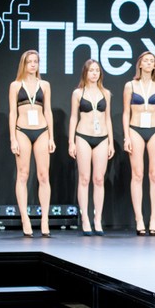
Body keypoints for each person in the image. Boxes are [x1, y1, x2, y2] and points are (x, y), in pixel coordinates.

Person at [8, 49, 56, 238]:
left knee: (44, 175)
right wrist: (13, 138)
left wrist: (51, 137)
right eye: (30, 61)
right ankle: (25, 219)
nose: (33, 64)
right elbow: (12, 112)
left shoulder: (44, 85)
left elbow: (48, 111)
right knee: (23, 174)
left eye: (36, 61)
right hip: (22, 130)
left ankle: (44, 219)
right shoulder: (15, 85)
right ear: (24, 64)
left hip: (42, 130)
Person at [122, 51, 155, 236]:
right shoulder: (130, 85)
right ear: (140, 64)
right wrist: (126, 136)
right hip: (135, 129)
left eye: (152, 61)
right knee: (137, 174)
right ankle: (139, 219)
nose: (149, 63)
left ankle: (153, 219)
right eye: (146, 61)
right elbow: (126, 112)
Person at [68, 59, 115, 236]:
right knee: (84, 178)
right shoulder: (78, 93)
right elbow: (74, 117)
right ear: (85, 73)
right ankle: (85, 218)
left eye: (97, 70)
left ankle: (97, 219)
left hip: (102, 137)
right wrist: (71, 142)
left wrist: (111, 142)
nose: (94, 73)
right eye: (91, 70)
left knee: (99, 179)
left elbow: (108, 118)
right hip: (83, 136)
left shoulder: (106, 93)